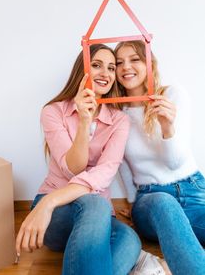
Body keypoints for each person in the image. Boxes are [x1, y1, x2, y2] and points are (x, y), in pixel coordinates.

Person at [16, 44, 143, 275]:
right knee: (95, 202)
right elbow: (72, 169)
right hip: (57, 216)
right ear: (81, 70)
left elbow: (105, 172)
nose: (105, 73)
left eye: (111, 68)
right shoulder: (53, 112)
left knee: (129, 239)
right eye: (96, 65)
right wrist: (84, 122)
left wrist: (50, 201)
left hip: (75, 209)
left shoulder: (119, 121)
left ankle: (85, 260)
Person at [115, 40, 205, 275]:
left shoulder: (172, 95)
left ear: (148, 62)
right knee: (163, 204)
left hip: (193, 190)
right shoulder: (116, 113)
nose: (126, 67)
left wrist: (167, 127)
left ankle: (164, 266)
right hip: (152, 198)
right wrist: (133, 205)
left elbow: (175, 162)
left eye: (134, 59)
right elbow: (122, 164)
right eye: (119, 62)